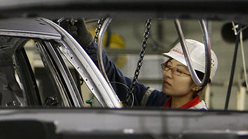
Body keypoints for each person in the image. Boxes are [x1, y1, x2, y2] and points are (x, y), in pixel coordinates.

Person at [63, 19, 218, 109]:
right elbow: (112, 77)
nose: (168, 74)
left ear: (198, 84)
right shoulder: (157, 101)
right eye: (168, 67)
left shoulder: (201, 122)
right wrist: (87, 43)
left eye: (178, 71)